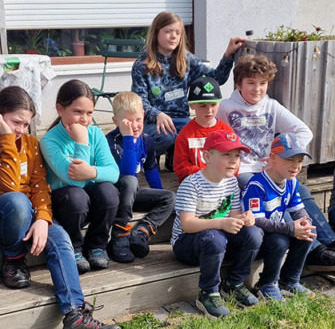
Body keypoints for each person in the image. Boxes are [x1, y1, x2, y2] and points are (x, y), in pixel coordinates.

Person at [0, 86, 122, 329]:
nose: (20, 130)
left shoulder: (31, 144)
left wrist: (43, 218)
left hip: (29, 213)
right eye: (15, 122)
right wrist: (6, 139)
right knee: (17, 200)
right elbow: (7, 185)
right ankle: (13, 257)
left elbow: (40, 185)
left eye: (26, 124)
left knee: (60, 238)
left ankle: (75, 316)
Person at [220, 53, 335, 268]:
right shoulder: (226, 108)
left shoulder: (271, 106)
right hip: (242, 170)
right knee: (274, 194)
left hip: (268, 167)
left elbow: (304, 131)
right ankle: (313, 250)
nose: (257, 89)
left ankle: (331, 240)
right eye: (251, 83)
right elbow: (212, 137)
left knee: (301, 191)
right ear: (238, 84)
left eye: (263, 83)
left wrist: (279, 155)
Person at [130, 10, 246, 159]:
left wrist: (228, 55)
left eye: (177, 33)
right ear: (156, 33)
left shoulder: (186, 59)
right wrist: (157, 114)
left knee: (205, 134)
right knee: (166, 137)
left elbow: (216, 79)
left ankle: (174, 156)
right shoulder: (142, 64)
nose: (173, 36)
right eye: (168, 31)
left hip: (181, 119)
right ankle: (146, 160)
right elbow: (139, 102)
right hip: (154, 122)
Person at [170, 130, 262, 317]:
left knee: (255, 233)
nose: (233, 160)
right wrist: (221, 222)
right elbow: (187, 224)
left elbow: (234, 217)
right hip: (187, 243)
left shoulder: (231, 183)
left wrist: (245, 219)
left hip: (216, 239)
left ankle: (234, 283)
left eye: (237, 155)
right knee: (214, 238)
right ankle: (209, 292)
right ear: (207, 156)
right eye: (226, 154)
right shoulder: (191, 184)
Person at [39, 79, 120, 273]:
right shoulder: (49, 140)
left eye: (89, 113)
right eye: (77, 112)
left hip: (92, 205)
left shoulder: (96, 133)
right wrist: (82, 142)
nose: (84, 119)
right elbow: (75, 180)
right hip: (67, 205)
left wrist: (91, 171)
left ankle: (96, 245)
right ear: (60, 109)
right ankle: (74, 246)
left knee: (109, 191)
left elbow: (114, 172)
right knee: (76, 195)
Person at [244, 134, 317, 301]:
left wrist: (305, 223)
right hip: (255, 239)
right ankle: (267, 284)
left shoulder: (291, 182)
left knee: (308, 234)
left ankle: (289, 281)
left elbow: (298, 209)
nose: (296, 166)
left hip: (277, 230)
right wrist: (290, 229)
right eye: (290, 159)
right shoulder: (257, 185)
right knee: (280, 241)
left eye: (299, 161)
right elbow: (258, 221)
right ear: (273, 158)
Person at [104, 91, 175, 263]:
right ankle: (119, 234)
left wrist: (157, 195)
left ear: (144, 115)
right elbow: (127, 172)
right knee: (130, 180)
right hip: (113, 197)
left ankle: (141, 231)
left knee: (170, 197)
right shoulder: (110, 141)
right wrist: (128, 138)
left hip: (132, 194)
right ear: (116, 122)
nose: (134, 125)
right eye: (128, 122)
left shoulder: (146, 140)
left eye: (138, 120)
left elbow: (150, 169)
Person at [171, 77, 237, 181]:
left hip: (222, 182)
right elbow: (180, 166)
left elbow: (235, 159)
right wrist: (205, 174)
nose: (209, 110)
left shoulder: (226, 131)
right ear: (192, 105)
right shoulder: (186, 134)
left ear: (219, 103)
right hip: (195, 183)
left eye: (213, 105)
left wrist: (224, 174)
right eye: (203, 106)